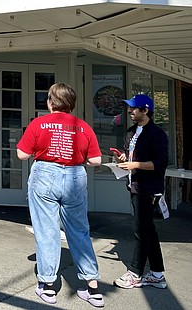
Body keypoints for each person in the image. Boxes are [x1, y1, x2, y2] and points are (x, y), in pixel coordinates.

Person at [17, 83, 104, 307]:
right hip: (75, 175)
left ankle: (47, 287)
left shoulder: (39, 123)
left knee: (47, 231)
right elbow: (96, 161)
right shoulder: (83, 127)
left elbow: (22, 154)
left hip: (45, 174)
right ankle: (92, 287)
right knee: (79, 231)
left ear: (51, 102)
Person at [113, 94, 169, 290]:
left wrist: (135, 164)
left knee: (141, 230)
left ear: (145, 110)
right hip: (134, 185)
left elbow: (161, 163)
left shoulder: (157, 134)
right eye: (129, 107)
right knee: (148, 230)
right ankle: (156, 274)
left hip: (148, 188)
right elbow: (129, 156)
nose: (129, 111)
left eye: (133, 108)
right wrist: (122, 158)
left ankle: (135, 273)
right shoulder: (130, 132)